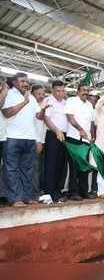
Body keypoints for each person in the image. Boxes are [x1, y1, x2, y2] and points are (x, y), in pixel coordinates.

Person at [1, 73, 41, 207]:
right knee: (11, 169)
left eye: (26, 81)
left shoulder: (31, 97)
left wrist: (44, 111)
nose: (25, 83)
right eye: (22, 81)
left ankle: (26, 197)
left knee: (27, 169)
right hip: (12, 137)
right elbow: (6, 113)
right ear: (15, 83)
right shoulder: (9, 94)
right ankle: (15, 198)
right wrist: (24, 102)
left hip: (29, 138)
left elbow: (37, 117)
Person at [64, 83, 95, 201]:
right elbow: (70, 117)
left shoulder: (89, 105)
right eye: (83, 90)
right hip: (73, 138)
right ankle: (73, 192)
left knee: (84, 166)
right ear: (78, 91)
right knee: (74, 166)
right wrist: (80, 129)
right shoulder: (72, 101)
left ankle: (84, 191)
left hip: (86, 140)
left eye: (87, 90)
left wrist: (92, 136)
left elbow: (91, 122)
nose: (85, 92)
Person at [43, 80, 68, 203]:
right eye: (58, 91)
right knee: (51, 164)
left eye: (63, 91)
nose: (60, 93)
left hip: (65, 135)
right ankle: (50, 191)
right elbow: (46, 118)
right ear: (52, 90)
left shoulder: (65, 102)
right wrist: (57, 131)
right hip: (53, 134)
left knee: (61, 164)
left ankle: (57, 190)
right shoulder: (48, 101)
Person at [31, 85, 48, 198]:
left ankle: (37, 191)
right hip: (34, 141)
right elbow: (35, 123)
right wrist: (38, 141)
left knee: (39, 168)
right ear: (32, 94)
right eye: (38, 94)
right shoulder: (32, 105)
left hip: (42, 141)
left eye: (43, 94)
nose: (41, 96)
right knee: (34, 168)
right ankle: (34, 193)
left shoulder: (42, 106)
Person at [88, 94, 99, 196]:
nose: (92, 102)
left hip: (97, 142)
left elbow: (95, 127)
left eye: (94, 100)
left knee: (96, 167)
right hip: (86, 141)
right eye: (90, 100)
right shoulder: (86, 110)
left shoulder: (98, 112)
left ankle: (94, 189)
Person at [0, 77, 9, 204]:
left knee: (6, 167)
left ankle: (3, 194)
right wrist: (5, 90)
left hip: (5, 136)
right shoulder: (4, 94)